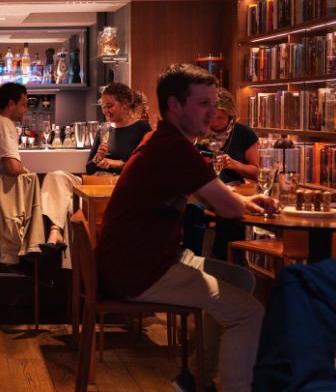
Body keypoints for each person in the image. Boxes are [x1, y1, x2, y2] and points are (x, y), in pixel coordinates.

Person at [95, 64, 277, 392]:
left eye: (214, 104)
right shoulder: (174, 148)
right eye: (203, 103)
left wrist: (251, 203)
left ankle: (193, 378)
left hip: (141, 260)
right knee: (248, 314)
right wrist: (245, 204)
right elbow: (228, 207)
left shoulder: (163, 140)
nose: (212, 112)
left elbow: (219, 199)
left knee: (241, 278)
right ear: (175, 105)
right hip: (141, 269)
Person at [0, 82, 68, 248]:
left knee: (29, 181)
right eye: (24, 105)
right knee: (32, 181)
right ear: (11, 104)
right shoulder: (3, 124)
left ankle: (32, 248)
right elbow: (12, 168)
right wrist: (25, 170)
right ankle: (34, 249)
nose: (26, 110)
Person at [189, 88, 260, 259]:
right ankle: (199, 261)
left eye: (219, 117)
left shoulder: (243, 134)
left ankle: (226, 263)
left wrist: (236, 165)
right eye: (211, 115)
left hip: (233, 192)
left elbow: (257, 173)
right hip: (202, 194)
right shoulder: (199, 132)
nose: (214, 121)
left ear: (231, 116)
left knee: (229, 219)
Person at [86, 82, 152, 175]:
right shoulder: (103, 130)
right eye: (103, 107)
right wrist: (98, 157)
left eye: (109, 106)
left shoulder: (141, 128)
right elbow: (89, 170)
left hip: (123, 185)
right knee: (60, 175)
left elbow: (147, 167)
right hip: (99, 183)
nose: (106, 111)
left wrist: (119, 164)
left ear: (125, 103)